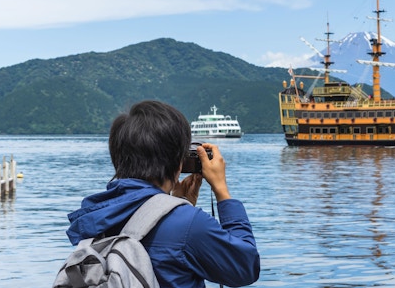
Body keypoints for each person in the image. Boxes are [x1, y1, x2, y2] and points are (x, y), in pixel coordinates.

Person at [65, 100, 260, 288]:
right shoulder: (188, 224)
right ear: (177, 161)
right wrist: (222, 191)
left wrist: (175, 203)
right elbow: (245, 267)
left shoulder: (95, 216)